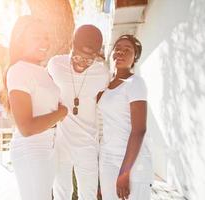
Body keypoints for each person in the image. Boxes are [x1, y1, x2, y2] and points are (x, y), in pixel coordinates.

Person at [0, 15, 68, 200]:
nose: (44, 42)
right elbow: (26, 127)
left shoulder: (43, 71)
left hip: (48, 146)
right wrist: (62, 112)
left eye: (45, 37)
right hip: (31, 149)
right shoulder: (18, 70)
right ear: (20, 41)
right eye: (36, 37)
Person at [47, 25, 110, 199]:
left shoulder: (102, 73)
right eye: (78, 55)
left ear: (96, 56)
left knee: (88, 194)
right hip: (61, 142)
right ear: (71, 46)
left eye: (89, 59)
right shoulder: (55, 65)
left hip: (88, 144)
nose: (82, 62)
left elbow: (103, 104)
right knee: (61, 192)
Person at [97, 34, 153, 200]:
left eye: (127, 50)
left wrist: (124, 172)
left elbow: (139, 130)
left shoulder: (135, 83)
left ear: (135, 57)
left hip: (132, 161)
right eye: (118, 48)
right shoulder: (106, 84)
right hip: (107, 157)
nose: (120, 52)